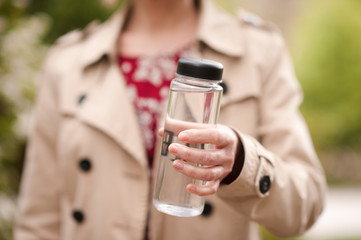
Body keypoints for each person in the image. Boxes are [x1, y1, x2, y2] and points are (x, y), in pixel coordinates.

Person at [13, 0, 327, 239]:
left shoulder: (258, 51)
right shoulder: (67, 62)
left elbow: (305, 204)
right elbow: (38, 222)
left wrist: (242, 163)